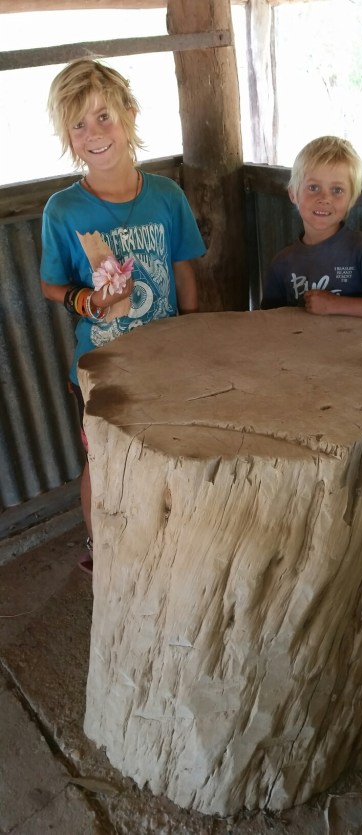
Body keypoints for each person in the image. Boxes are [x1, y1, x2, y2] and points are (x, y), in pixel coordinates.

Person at [40, 57, 206, 574]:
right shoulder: (63, 210)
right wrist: (88, 302)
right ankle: (102, 547)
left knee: (171, 449)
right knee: (103, 457)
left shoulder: (167, 196)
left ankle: (174, 541)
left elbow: (184, 275)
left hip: (167, 359)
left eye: (104, 117)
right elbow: (51, 283)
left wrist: (197, 334)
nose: (94, 134)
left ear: (130, 113)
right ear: (67, 135)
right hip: (100, 367)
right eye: (78, 124)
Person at [261, 135, 362, 320]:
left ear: (351, 200)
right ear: (293, 194)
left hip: (359, 348)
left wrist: (334, 305)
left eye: (337, 190)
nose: (325, 198)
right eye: (313, 187)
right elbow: (268, 323)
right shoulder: (282, 263)